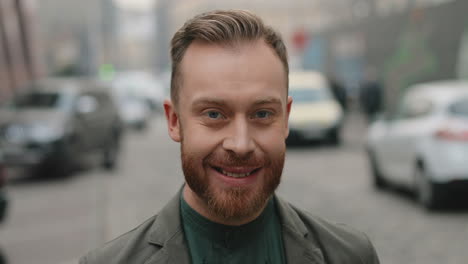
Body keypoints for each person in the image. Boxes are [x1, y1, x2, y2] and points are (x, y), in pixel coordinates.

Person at [80, 10, 380, 264]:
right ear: (174, 121)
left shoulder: (351, 256)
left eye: (262, 114)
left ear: (286, 119)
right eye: (213, 114)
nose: (240, 144)